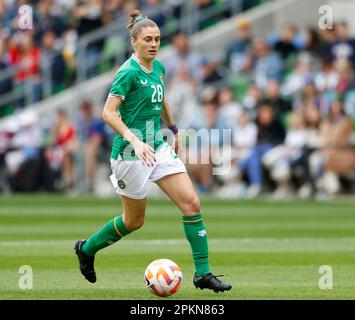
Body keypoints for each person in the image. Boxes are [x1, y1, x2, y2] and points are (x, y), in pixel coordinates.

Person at [74, 9, 232, 293]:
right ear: (134, 41)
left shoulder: (158, 67)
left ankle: (203, 273)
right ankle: (87, 248)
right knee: (134, 221)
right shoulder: (127, 72)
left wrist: (173, 129)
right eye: (148, 39)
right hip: (129, 153)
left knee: (192, 204)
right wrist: (134, 140)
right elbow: (108, 113)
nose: (154, 44)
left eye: (157, 39)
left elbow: (161, 97)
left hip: (156, 145)